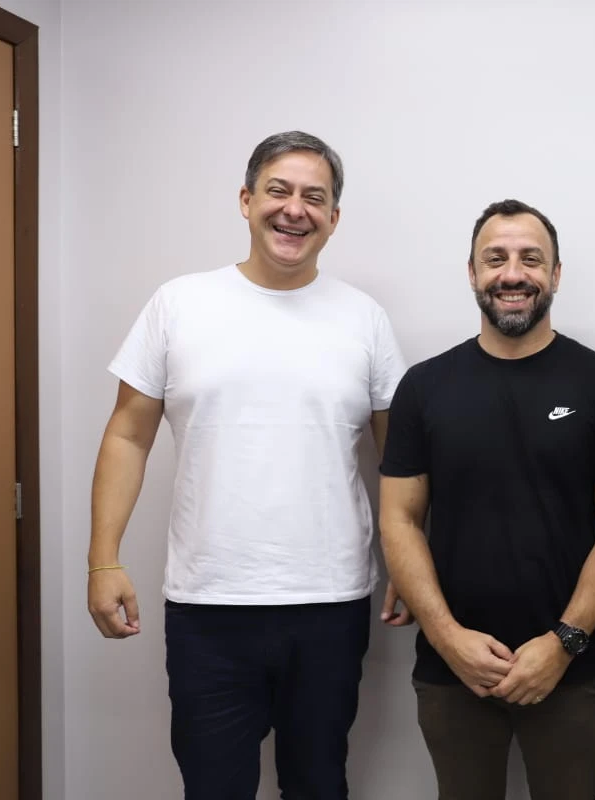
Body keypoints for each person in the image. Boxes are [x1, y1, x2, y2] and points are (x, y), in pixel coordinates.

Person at [86, 130, 405, 799]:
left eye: (314, 198)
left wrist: (409, 565)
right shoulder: (179, 304)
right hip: (209, 605)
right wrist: (103, 561)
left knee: (319, 784)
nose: (294, 209)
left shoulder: (364, 319)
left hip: (330, 601)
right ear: (246, 200)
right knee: (214, 788)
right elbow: (127, 436)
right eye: (278, 191)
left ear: (333, 217)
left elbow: (398, 458)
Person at [377, 199, 595, 800]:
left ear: (556, 274)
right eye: (495, 258)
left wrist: (563, 643)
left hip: (570, 668)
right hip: (451, 670)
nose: (513, 273)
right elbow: (399, 519)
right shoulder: (424, 387)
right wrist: (448, 638)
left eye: (531, 258)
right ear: (472, 272)